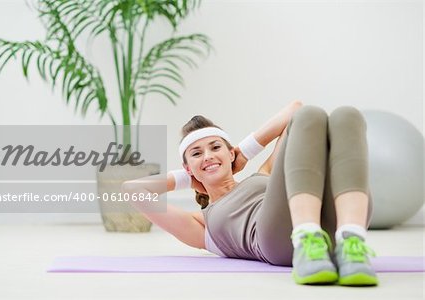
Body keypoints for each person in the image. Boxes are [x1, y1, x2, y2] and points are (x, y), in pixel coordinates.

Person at [121, 101, 378, 286]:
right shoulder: (202, 224)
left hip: (331, 224)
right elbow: (132, 190)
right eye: (197, 154)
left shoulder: (263, 174)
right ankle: (306, 239)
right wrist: (187, 178)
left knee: (346, 115)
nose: (208, 156)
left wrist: (245, 151)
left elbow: (295, 111)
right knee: (313, 117)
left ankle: (351, 240)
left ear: (229, 152)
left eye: (215, 147)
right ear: (188, 168)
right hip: (278, 242)